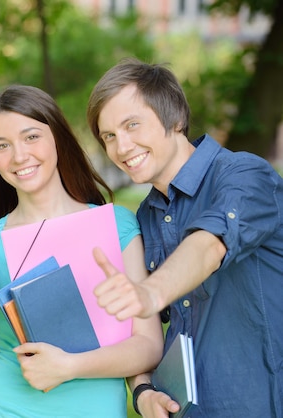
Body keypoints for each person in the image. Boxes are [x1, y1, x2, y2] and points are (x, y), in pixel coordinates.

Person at [86, 57, 283, 417]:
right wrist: (143, 390)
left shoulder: (245, 175)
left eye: (133, 125)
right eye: (109, 136)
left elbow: (209, 245)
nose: (122, 147)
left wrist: (149, 291)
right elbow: (141, 328)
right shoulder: (145, 215)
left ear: (175, 118)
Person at [0, 84, 163, 417]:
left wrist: (70, 365)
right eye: (2, 146)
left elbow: (149, 345)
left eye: (31, 137)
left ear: (58, 137)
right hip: (7, 408)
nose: (19, 155)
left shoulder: (116, 225)